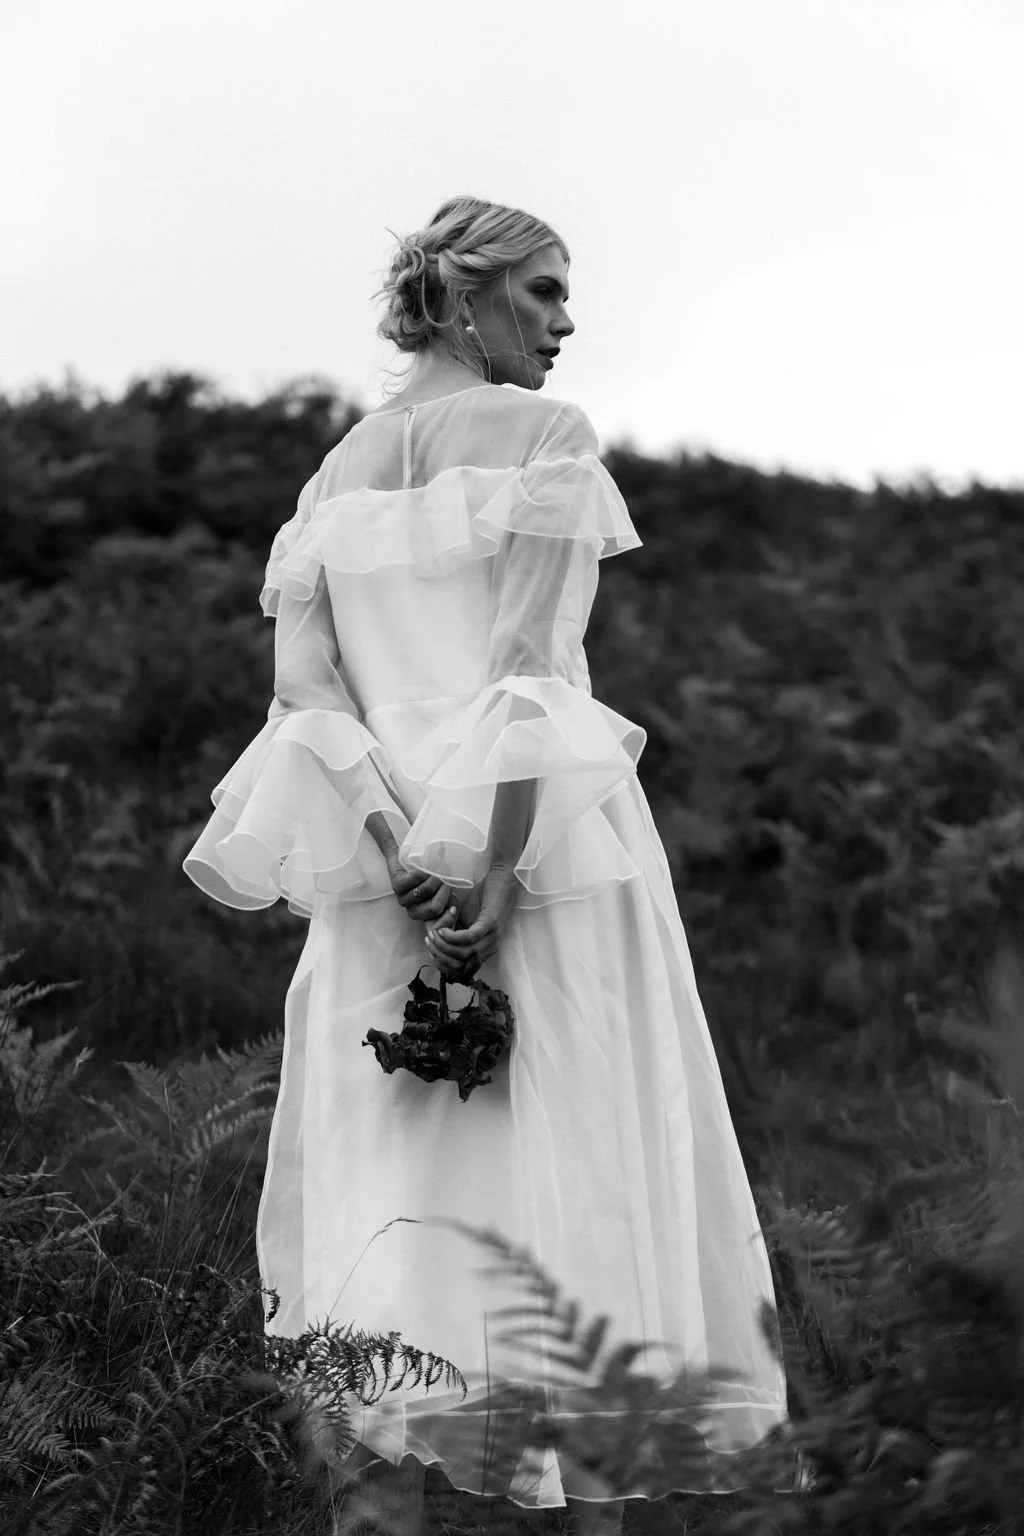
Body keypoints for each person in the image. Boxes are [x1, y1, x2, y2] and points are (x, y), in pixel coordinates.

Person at [184, 195, 788, 1530]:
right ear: (463, 298)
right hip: (545, 872)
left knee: (385, 1216)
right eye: (546, 293)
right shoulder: (550, 440)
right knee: (580, 1214)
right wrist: (489, 879)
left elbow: (309, 706)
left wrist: (404, 862)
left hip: (375, 896)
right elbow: (525, 676)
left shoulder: (327, 480)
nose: (568, 325)